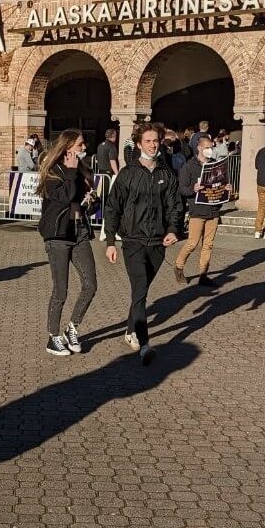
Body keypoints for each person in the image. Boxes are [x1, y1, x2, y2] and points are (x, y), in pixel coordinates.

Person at [104, 122, 181, 364]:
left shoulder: (166, 174)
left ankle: (130, 331)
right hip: (133, 242)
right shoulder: (127, 174)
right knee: (139, 290)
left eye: (155, 140)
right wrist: (110, 241)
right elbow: (112, 208)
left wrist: (173, 230)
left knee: (141, 291)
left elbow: (175, 206)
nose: (152, 145)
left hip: (157, 243)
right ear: (138, 144)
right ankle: (144, 344)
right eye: (147, 141)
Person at [36, 129, 98, 356]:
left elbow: (83, 201)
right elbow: (64, 197)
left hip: (79, 231)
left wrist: (92, 200)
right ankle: (53, 337)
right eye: (80, 144)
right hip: (58, 235)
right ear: (68, 147)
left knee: (90, 284)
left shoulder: (81, 170)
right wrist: (71, 172)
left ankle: (72, 327)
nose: (84, 148)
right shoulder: (53, 172)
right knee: (60, 290)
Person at [174, 136, 229, 287]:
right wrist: (193, 189)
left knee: (208, 245)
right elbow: (182, 189)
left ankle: (203, 274)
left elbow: (220, 184)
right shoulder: (188, 166)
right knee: (192, 243)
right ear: (199, 148)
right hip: (197, 210)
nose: (210, 150)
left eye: (211, 147)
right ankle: (178, 266)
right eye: (207, 147)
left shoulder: (215, 165)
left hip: (213, 210)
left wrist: (226, 189)